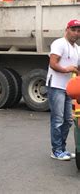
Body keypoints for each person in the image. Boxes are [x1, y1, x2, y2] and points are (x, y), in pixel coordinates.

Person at [47, 19, 80, 161]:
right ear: (67, 29)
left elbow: (77, 70)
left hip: (69, 89)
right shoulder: (59, 43)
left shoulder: (77, 49)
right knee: (58, 119)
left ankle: (63, 149)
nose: (76, 33)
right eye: (73, 29)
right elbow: (53, 63)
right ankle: (56, 150)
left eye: (78, 31)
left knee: (68, 120)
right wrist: (67, 69)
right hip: (56, 86)